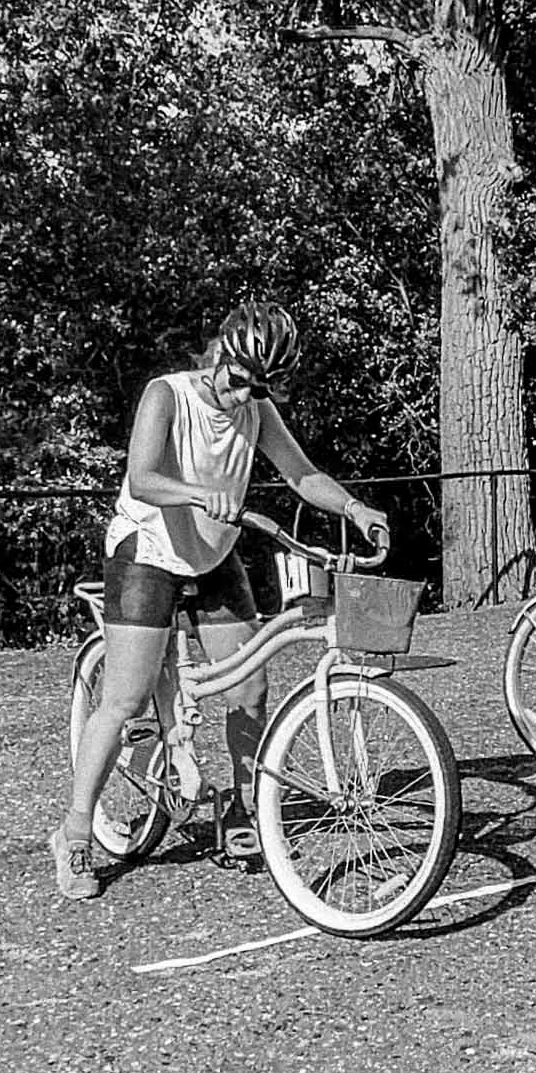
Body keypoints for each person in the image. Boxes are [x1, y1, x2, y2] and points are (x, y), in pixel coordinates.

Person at [50, 299, 390, 901]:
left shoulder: (255, 410)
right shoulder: (168, 395)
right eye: (237, 380)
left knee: (250, 689)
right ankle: (76, 830)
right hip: (149, 550)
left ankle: (238, 808)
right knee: (126, 696)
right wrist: (201, 493)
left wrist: (355, 508)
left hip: (213, 555)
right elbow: (142, 478)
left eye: (258, 387)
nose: (243, 396)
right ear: (220, 355)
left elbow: (300, 473)